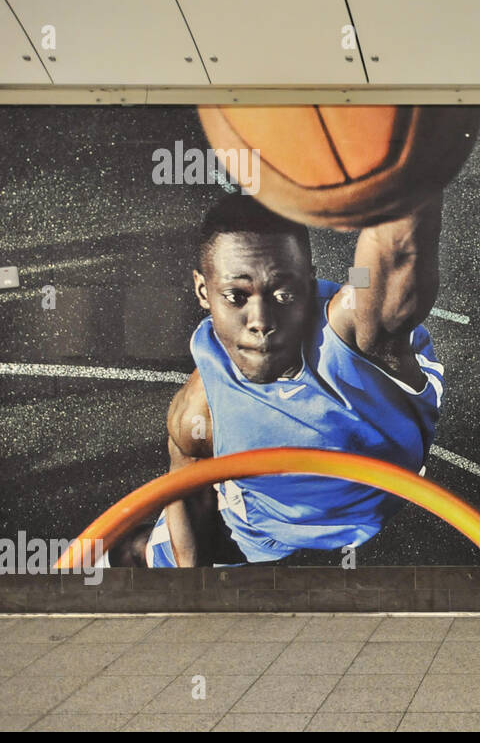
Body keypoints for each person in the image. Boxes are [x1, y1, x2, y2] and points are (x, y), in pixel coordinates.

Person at [106, 192, 445, 567]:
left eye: (283, 294)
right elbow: (185, 488)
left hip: (376, 498)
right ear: (204, 292)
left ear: (309, 283)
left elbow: (397, 253)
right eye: (236, 296)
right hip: (263, 526)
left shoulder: (351, 331)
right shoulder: (198, 410)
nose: (261, 321)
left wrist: (405, 177)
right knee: (141, 557)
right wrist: (193, 596)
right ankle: (127, 555)